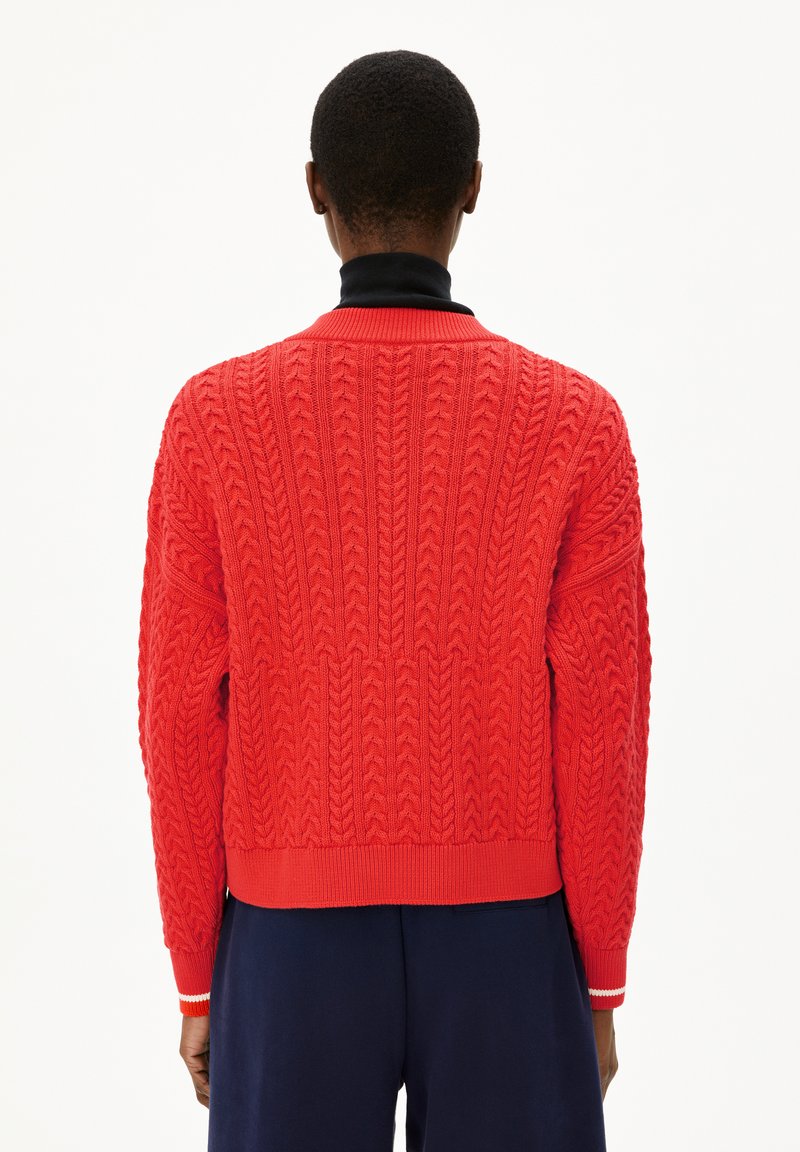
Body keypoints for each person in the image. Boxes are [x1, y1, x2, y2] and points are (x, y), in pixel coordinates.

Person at [137, 48, 652, 1152]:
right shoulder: (576, 422)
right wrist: (599, 977)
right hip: (512, 936)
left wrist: (198, 975)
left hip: (285, 934)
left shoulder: (212, 420)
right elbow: (602, 720)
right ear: (473, 187)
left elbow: (178, 716)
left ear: (314, 188)